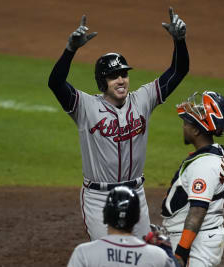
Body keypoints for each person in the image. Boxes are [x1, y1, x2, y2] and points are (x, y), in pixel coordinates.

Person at [48, 7, 189, 240]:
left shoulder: (143, 98)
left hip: (135, 192)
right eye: (114, 76)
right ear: (102, 82)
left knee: (142, 255)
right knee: (108, 256)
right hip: (98, 197)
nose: (121, 80)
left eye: (124, 74)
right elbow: (55, 83)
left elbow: (179, 70)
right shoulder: (84, 107)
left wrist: (180, 41)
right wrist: (70, 50)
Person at [160, 91, 224, 267]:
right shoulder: (215, 152)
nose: (183, 127)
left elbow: (197, 212)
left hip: (196, 243)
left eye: (185, 123)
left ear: (195, 130)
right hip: (201, 236)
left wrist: (181, 252)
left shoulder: (205, 165)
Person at [68, 186, 180, 267]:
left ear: (105, 215)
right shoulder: (157, 255)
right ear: (137, 218)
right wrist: (168, 252)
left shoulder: (84, 253)